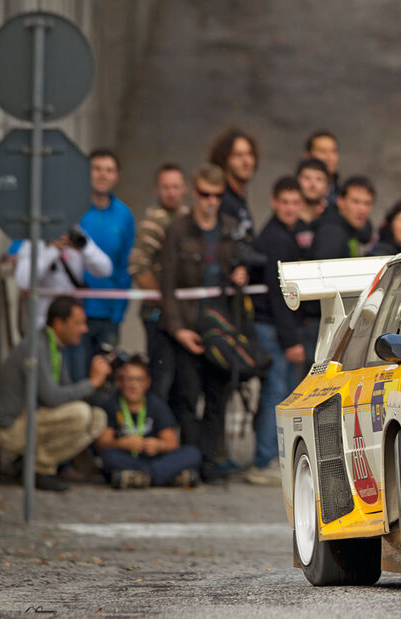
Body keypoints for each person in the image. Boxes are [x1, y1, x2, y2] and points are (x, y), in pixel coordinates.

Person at [160, 163, 249, 483]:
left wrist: (239, 275)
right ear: (195, 193)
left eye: (217, 195)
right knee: (187, 395)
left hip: (220, 325)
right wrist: (178, 329)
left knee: (217, 396)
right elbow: (166, 284)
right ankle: (189, 461)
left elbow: (238, 269)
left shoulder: (228, 228)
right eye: (204, 194)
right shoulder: (178, 230)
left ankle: (211, 461)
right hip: (187, 323)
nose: (210, 200)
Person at [0, 295, 110, 492]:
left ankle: (29, 464)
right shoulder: (37, 347)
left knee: (98, 418)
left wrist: (101, 385)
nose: (84, 329)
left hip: (32, 419)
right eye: (78, 323)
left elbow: (66, 392)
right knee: (80, 414)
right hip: (11, 428)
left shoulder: (53, 346)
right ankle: (40, 469)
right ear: (58, 323)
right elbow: (52, 397)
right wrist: (92, 382)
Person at [248, 177, 314, 486]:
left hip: (276, 327)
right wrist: (291, 340)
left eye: (294, 202)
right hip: (272, 327)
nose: (289, 208)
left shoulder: (287, 235)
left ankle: (272, 456)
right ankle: (264, 460)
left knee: (279, 391)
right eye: (284, 202)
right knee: (276, 392)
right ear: (274, 202)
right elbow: (278, 294)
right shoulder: (277, 239)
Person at [128, 163, 190, 400]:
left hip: (181, 315)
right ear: (157, 190)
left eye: (175, 187)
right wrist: (163, 298)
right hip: (157, 314)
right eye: (166, 187)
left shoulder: (186, 218)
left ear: (184, 189)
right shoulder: (153, 222)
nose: (171, 192)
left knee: (181, 380)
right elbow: (137, 264)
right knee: (161, 377)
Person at [95, 356, 202, 489]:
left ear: (147, 383)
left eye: (139, 380)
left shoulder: (155, 404)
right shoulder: (111, 405)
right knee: (108, 457)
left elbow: (172, 442)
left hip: (155, 458)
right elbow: (102, 444)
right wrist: (122, 443)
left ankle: (140, 477)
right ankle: (167, 477)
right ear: (119, 382)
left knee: (192, 453)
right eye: (129, 379)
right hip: (128, 458)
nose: (133, 385)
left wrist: (159, 445)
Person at [79, 148, 135, 369]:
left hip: (108, 317)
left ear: (117, 176)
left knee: (105, 379)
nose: (103, 175)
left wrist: (118, 314)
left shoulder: (124, 215)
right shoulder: (74, 210)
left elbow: (125, 266)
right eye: (97, 169)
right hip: (75, 313)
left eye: (109, 170)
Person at [208, 127, 259, 240]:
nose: (246, 161)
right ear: (224, 160)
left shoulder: (239, 195)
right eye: (238, 155)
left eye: (250, 154)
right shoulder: (220, 198)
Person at [309, 176, 375, 261]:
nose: (362, 209)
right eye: (356, 202)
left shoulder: (356, 230)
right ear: (340, 201)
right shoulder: (331, 233)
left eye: (367, 203)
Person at [304, 129, 340, 205]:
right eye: (322, 151)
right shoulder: (295, 195)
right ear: (308, 156)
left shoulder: (342, 193)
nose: (329, 157)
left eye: (333, 151)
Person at [296, 157, 331, 222]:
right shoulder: (286, 216)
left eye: (319, 179)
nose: (313, 184)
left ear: (327, 187)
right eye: (307, 178)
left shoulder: (334, 218)